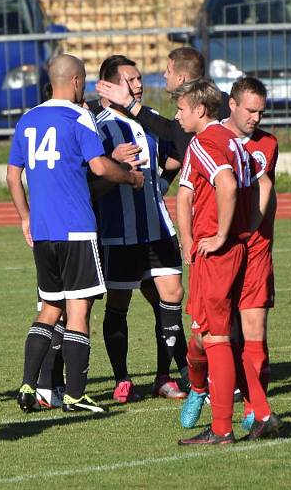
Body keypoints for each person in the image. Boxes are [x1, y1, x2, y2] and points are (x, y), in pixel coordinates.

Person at [7, 54, 144, 414]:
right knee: (79, 310)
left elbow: (11, 176)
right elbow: (99, 166)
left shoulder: (28, 118)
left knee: (50, 308)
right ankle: (76, 394)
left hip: (43, 229)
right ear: (77, 81)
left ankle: (28, 385)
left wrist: (25, 217)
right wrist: (129, 177)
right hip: (77, 228)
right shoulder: (79, 115)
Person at [180, 77, 280, 436]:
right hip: (227, 247)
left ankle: (224, 427)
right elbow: (186, 192)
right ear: (231, 106)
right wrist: (188, 242)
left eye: (180, 109)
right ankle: (258, 412)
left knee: (219, 338)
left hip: (222, 249)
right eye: (251, 110)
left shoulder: (209, 141)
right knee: (213, 338)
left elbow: (230, 182)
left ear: (199, 110)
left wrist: (224, 233)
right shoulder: (231, 143)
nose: (176, 115)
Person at [94, 55, 188, 402]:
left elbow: (178, 149)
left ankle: (164, 376)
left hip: (158, 227)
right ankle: (122, 378)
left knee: (173, 295)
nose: (138, 85)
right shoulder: (98, 126)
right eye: (129, 80)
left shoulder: (147, 121)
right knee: (119, 303)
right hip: (119, 232)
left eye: (139, 79)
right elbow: (88, 177)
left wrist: (162, 183)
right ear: (107, 87)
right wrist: (114, 163)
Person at [95, 47, 230, 176]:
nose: (165, 75)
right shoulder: (100, 122)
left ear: (180, 78)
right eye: (131, 80)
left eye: (169, 71)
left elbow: (170, 132)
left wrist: (129, 103)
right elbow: (176, 151)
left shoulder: (199, 108)